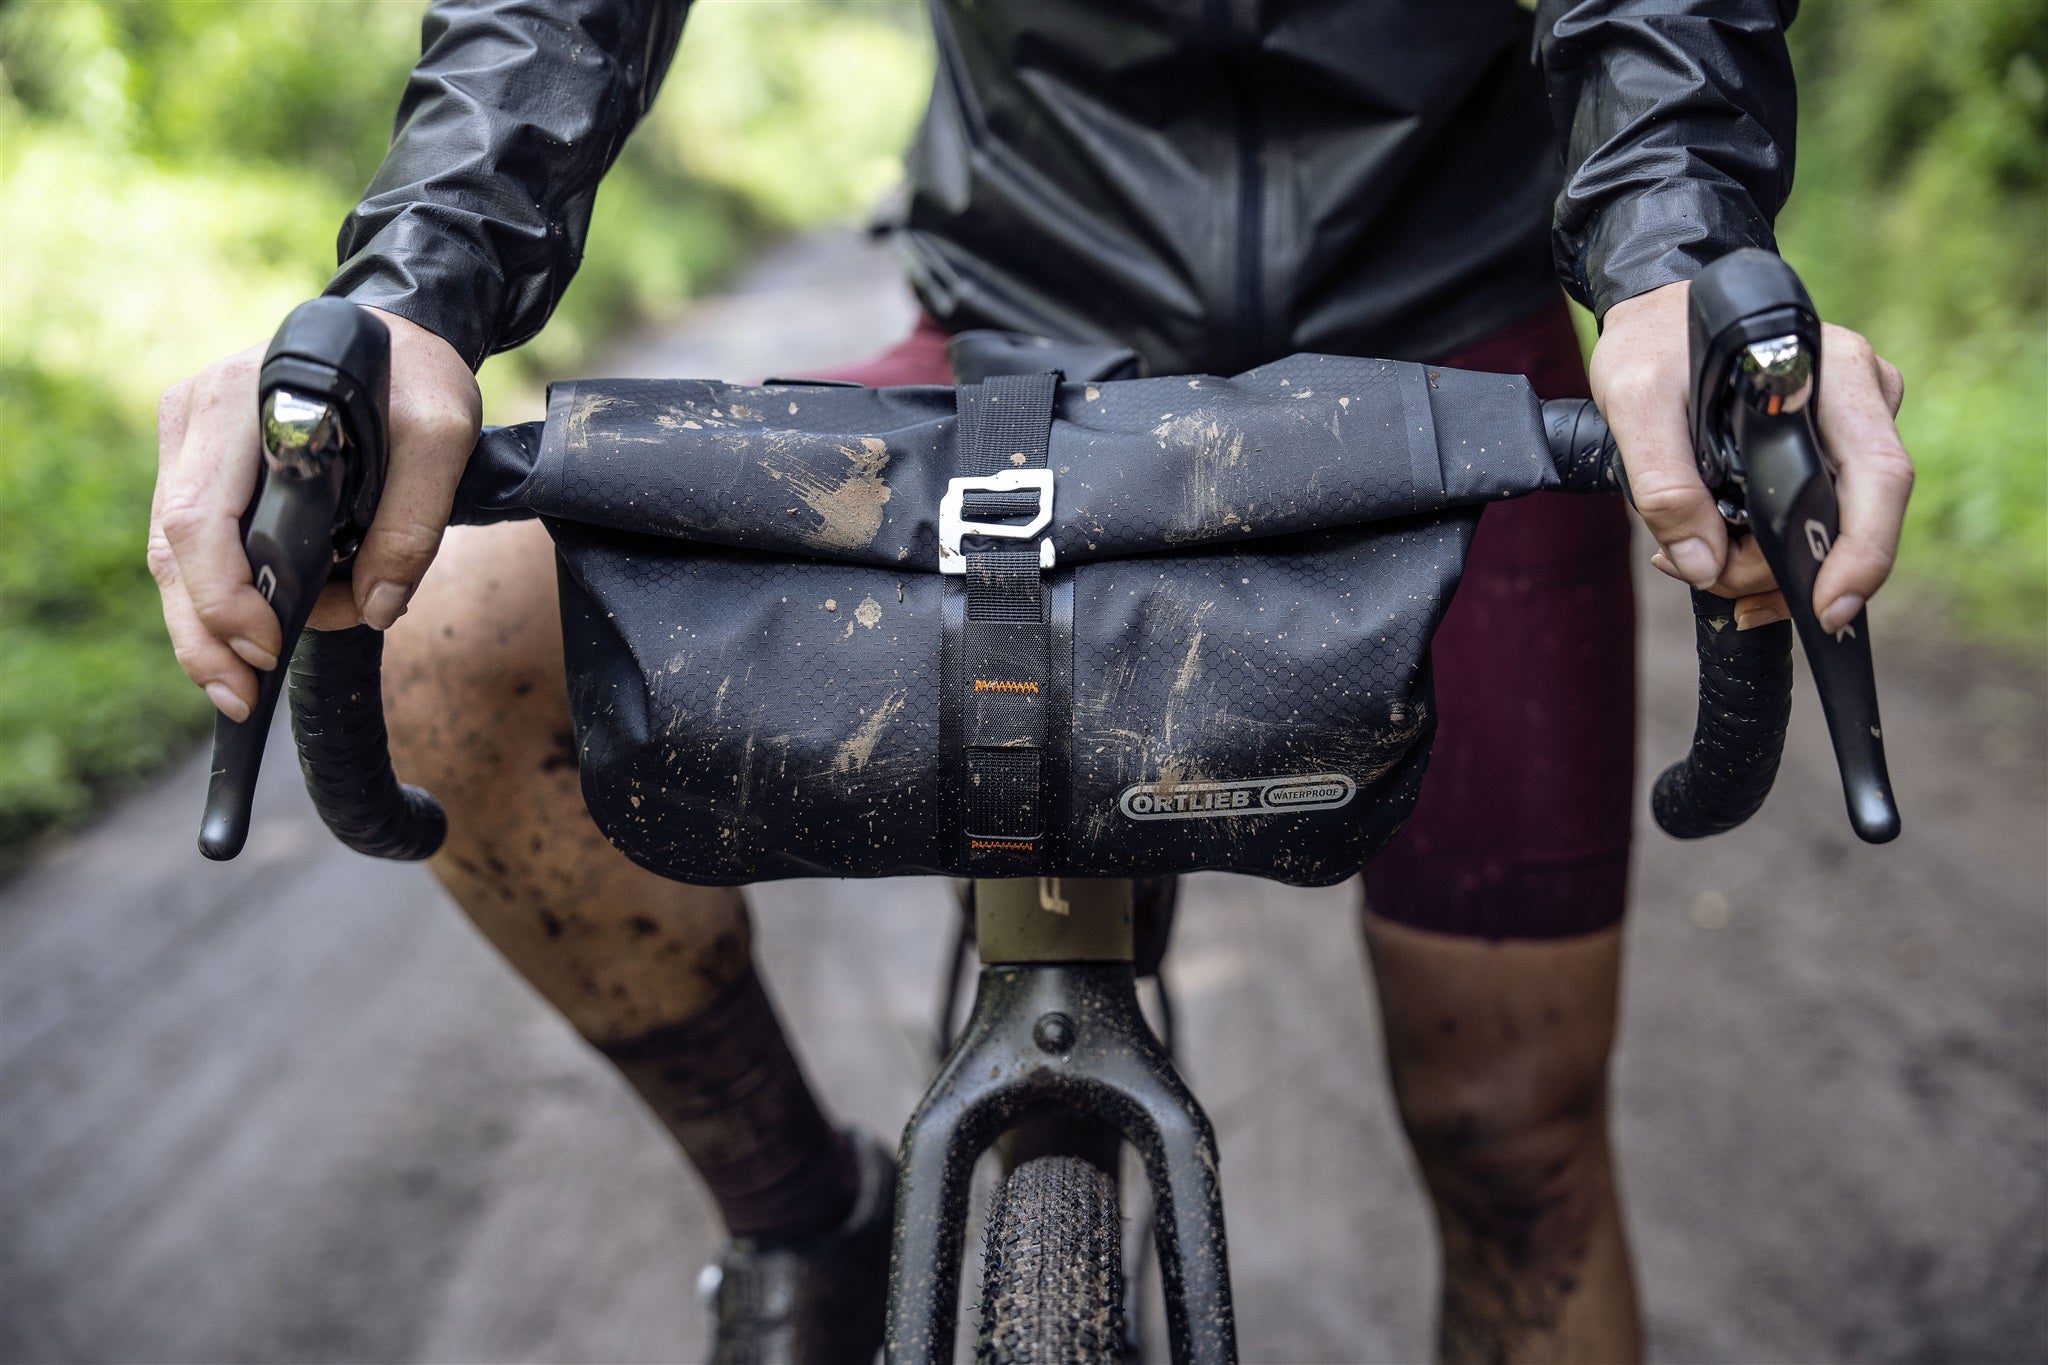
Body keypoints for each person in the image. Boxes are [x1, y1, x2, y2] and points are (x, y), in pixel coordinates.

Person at [148, 1, 1914, 1359]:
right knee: (452, 638)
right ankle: (805, 1218)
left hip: (1443, 356)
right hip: (1011, 339)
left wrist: (1684, 257)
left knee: (1517, 1143)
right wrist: (416, 280)